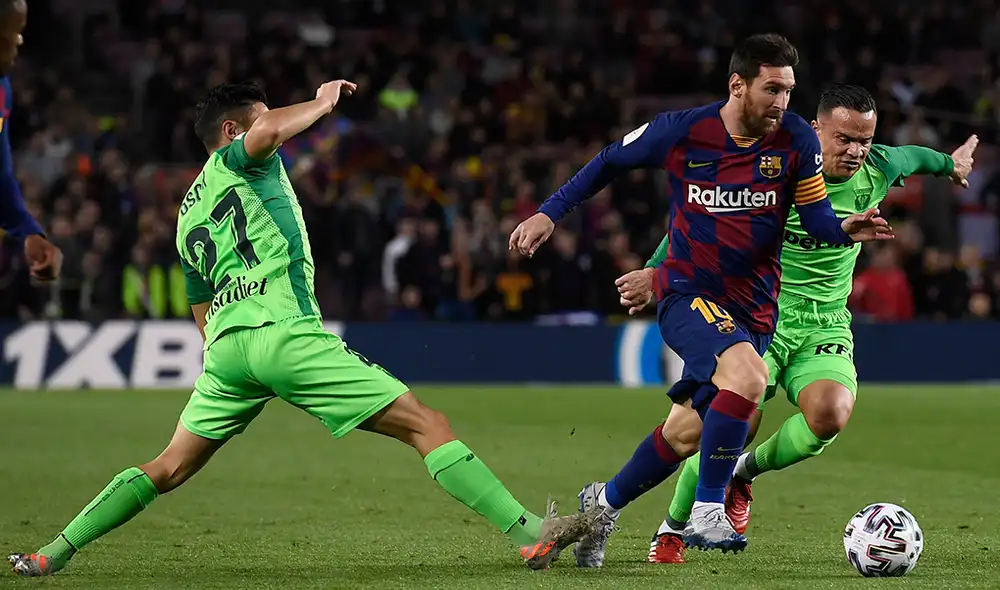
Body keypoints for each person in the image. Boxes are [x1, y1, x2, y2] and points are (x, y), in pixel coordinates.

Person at [8, 81, 596, 577]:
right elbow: (264, 134)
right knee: (426, 424)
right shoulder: (240, 157)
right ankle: (529, 533)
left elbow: (198, 301)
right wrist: (319, 104)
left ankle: (50, 554)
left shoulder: (190, 206)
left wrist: (221, 351)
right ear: (235, 131)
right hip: (283, 331)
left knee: (167, 466)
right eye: (265, 121)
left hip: (227, 351)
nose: (276, 132)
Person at [509, 34, 893, 566]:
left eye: (789, 90)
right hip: (688, 294)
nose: (783, 101)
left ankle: (598, 508)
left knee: (686, 434)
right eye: (773, 89)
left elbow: (816, 220)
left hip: (756, 310)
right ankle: (711, 507)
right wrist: (549, 213)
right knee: (751, 380)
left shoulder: (798, 142)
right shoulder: (683, 131)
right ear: (738, 85)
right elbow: (607, 162)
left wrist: (844, 229)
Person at [618, 84, 977, 564]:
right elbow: (699, 220)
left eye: (864, 141)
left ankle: (741, 475)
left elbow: (914, 156)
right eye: (844, 138)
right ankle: (672, 530)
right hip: (757, 316)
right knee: (721, 425)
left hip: (825, 323)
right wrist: (651, 271)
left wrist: (950, 165)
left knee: (830, 414)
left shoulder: (879, 167)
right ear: (816, 130)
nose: (855, 151)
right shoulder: (773, 169)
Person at [0, 0, 61, 281]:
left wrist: (29, 231)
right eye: (13, 31)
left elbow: (1, 178)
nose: (20, 40)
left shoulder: (2, 89)